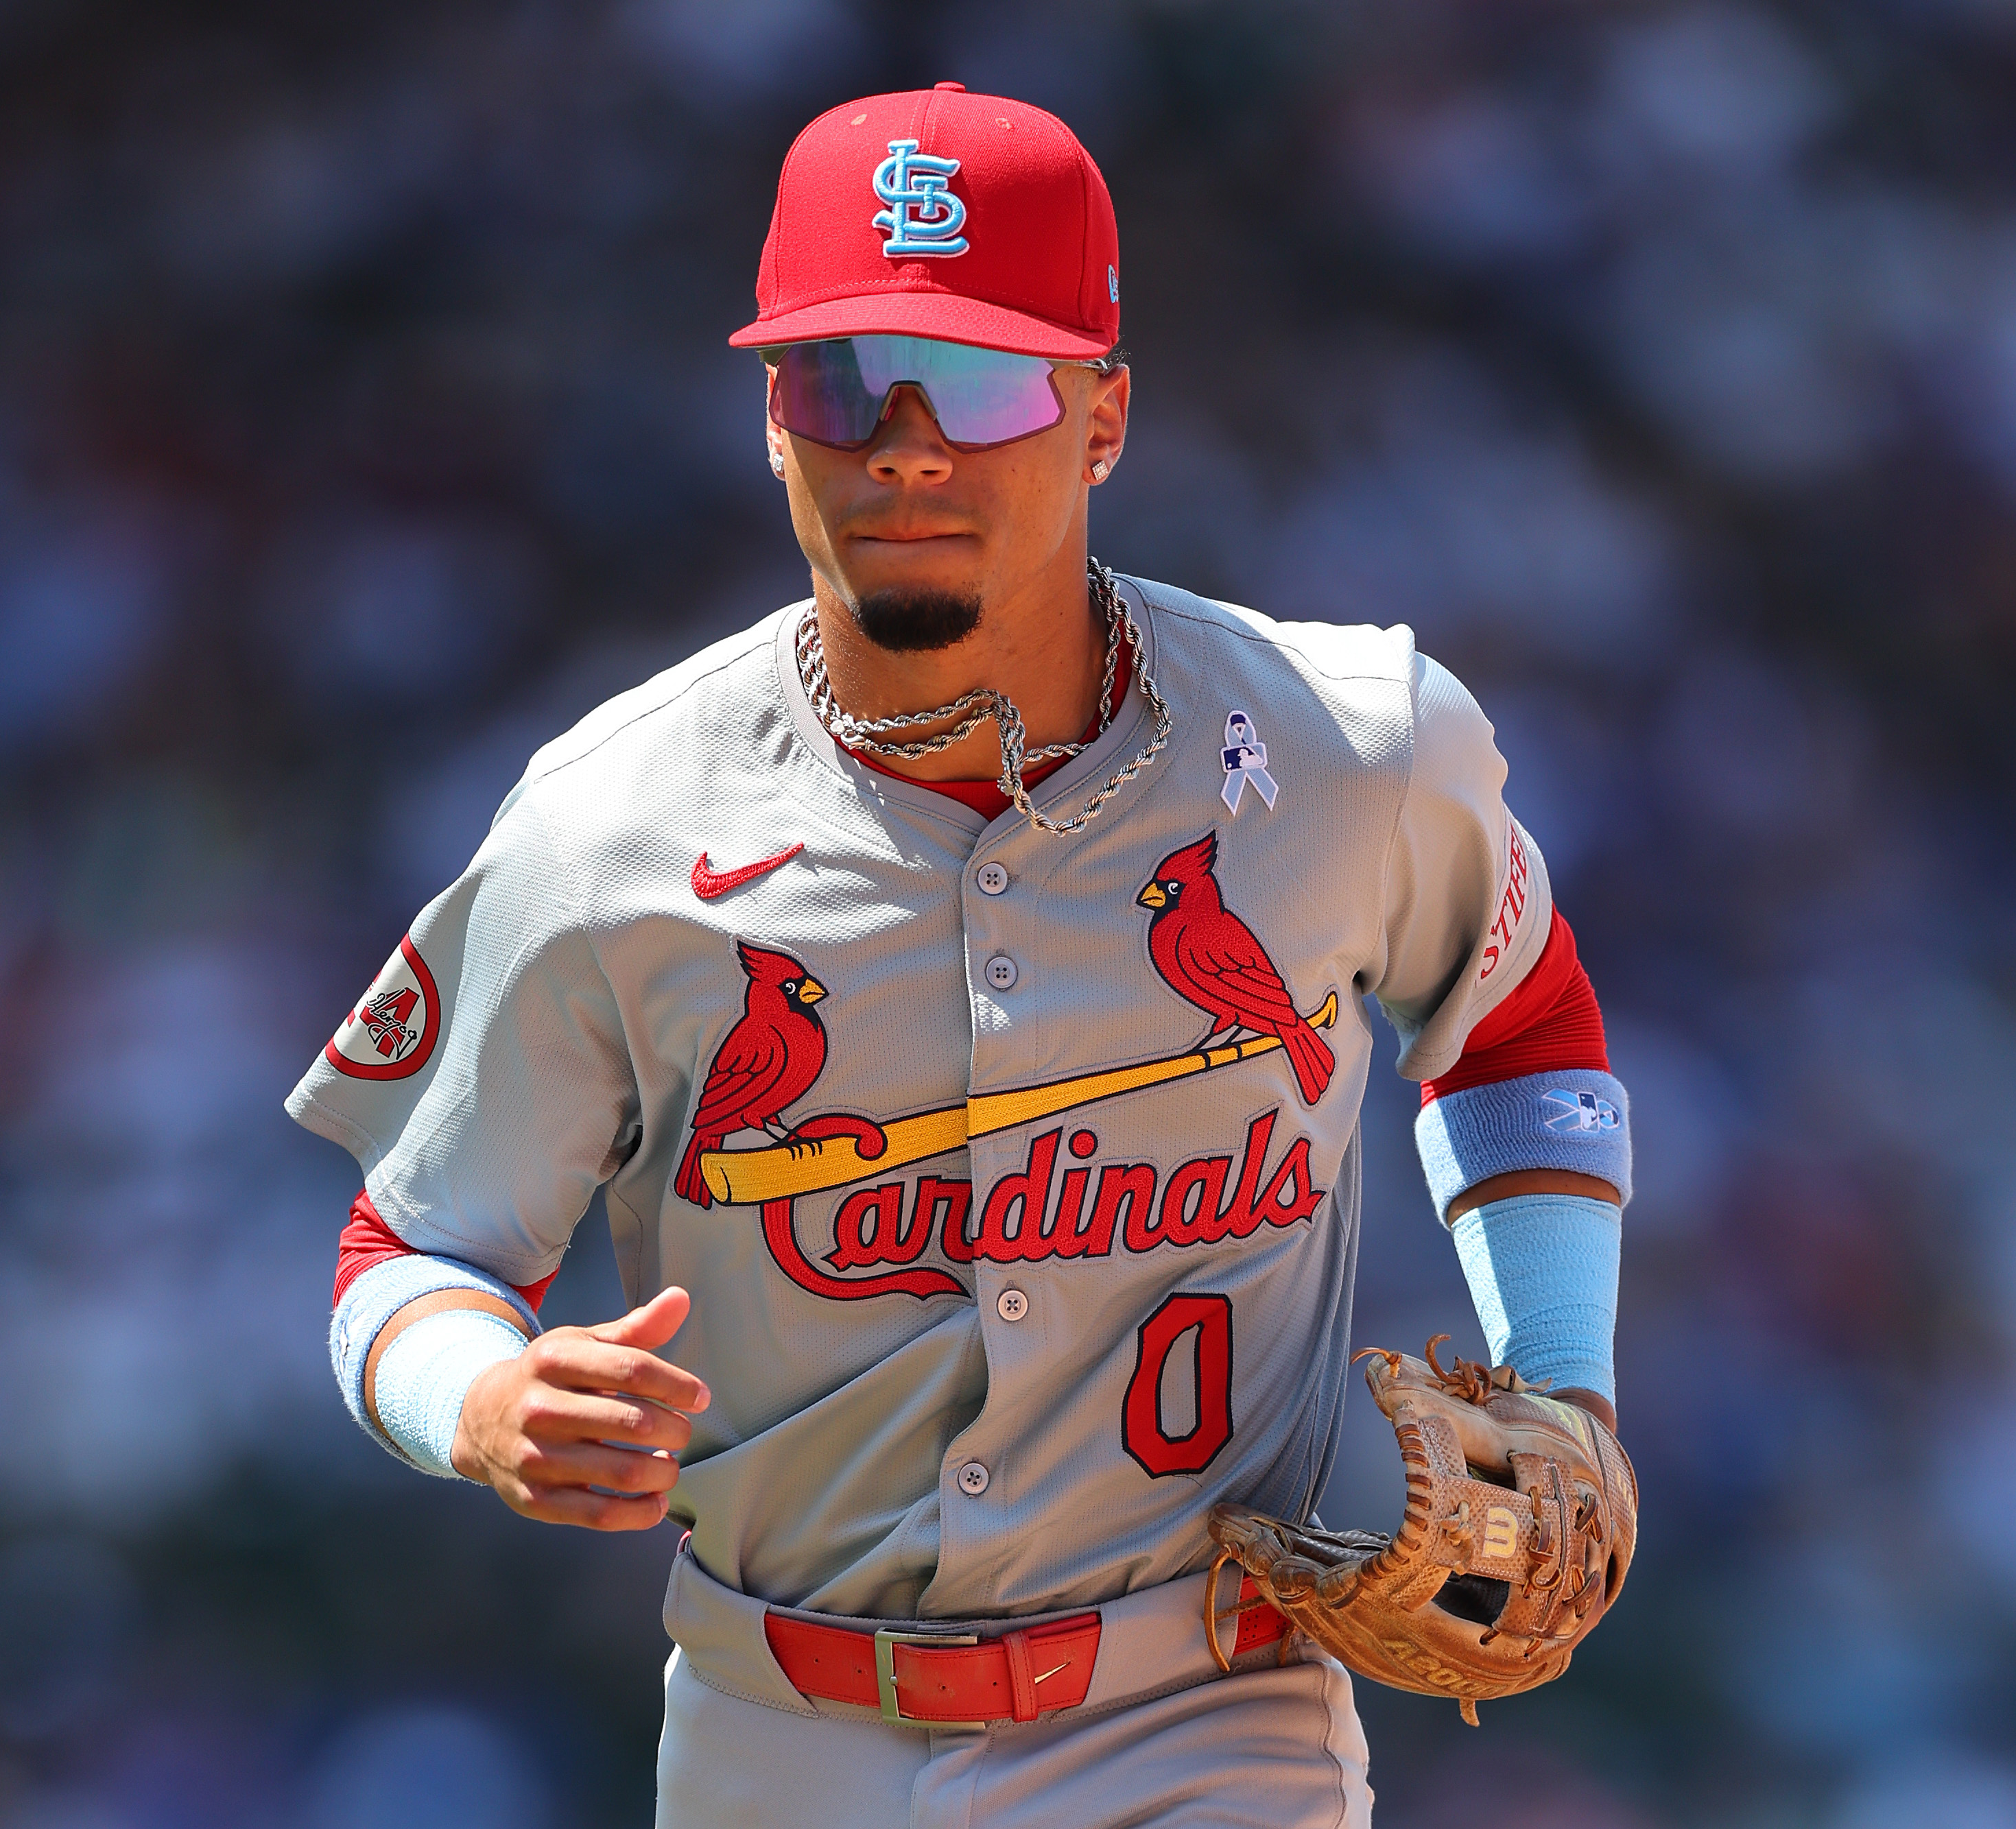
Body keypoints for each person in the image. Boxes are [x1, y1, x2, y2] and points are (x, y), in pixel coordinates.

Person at [290, 82, 1633, 1828]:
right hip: (776, 1735)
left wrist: (1567, 1383)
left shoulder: (1343, 745)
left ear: (1102, 416)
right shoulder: (609, 824)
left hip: (1205, 1715)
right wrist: (473, 1394)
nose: (905, 443)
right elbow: (404, 1243)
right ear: (773, 425)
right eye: (839, 379)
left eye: (984, 378)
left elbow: (1516, 1017)